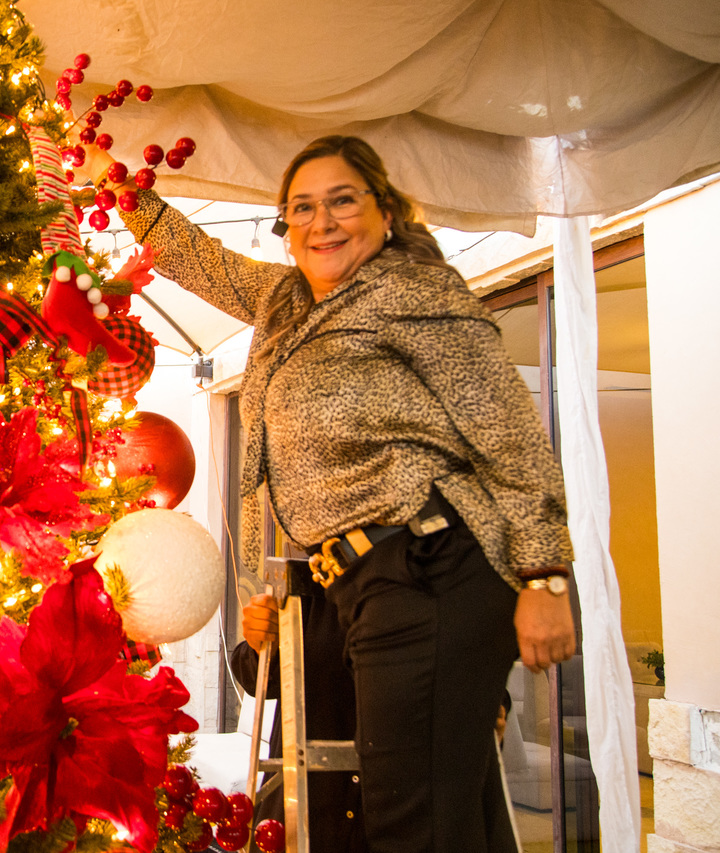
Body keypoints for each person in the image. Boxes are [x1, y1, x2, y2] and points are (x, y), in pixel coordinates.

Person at [71, 133, 576, 853]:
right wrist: (114, 186)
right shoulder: (285, 299)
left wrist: (546, 573)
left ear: (386, 209)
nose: (322, 222)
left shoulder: (415, 291)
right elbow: (193, 255)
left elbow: (507, 428)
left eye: (343, 201)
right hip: (354, 582)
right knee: (391, 814)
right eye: (301, 208)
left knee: (415, 825)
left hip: (435, 565)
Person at [231, 580, 367, 852]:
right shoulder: (310, 586)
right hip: (304, 811)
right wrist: (260, 643)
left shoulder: (426, 591)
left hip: (386, 815)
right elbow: (255, 678)